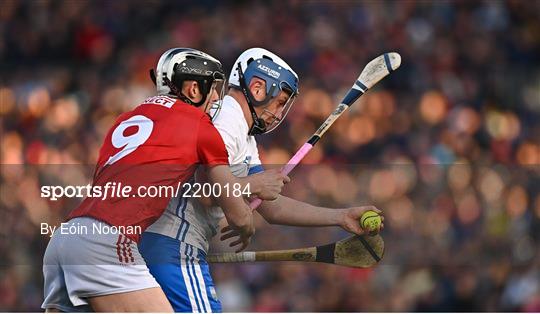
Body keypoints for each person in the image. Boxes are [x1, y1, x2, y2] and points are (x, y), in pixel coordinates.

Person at [41, 48, 289, 312]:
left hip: (65, 239)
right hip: (108, 243)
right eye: (214, 87)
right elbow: (235, 212)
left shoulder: (126, 118)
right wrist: (250, 209)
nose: (217, 97)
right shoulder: (200, 126)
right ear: (194, 89)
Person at [139, 47, 384, 312]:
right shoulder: (227, 119)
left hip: (166, 244)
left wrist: (340, 216)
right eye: (280, 102)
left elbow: (272, 206)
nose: (280, 114)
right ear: (258, 87)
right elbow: (206, 193)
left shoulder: (243, 135)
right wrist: (246, 206)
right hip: (172, 243)